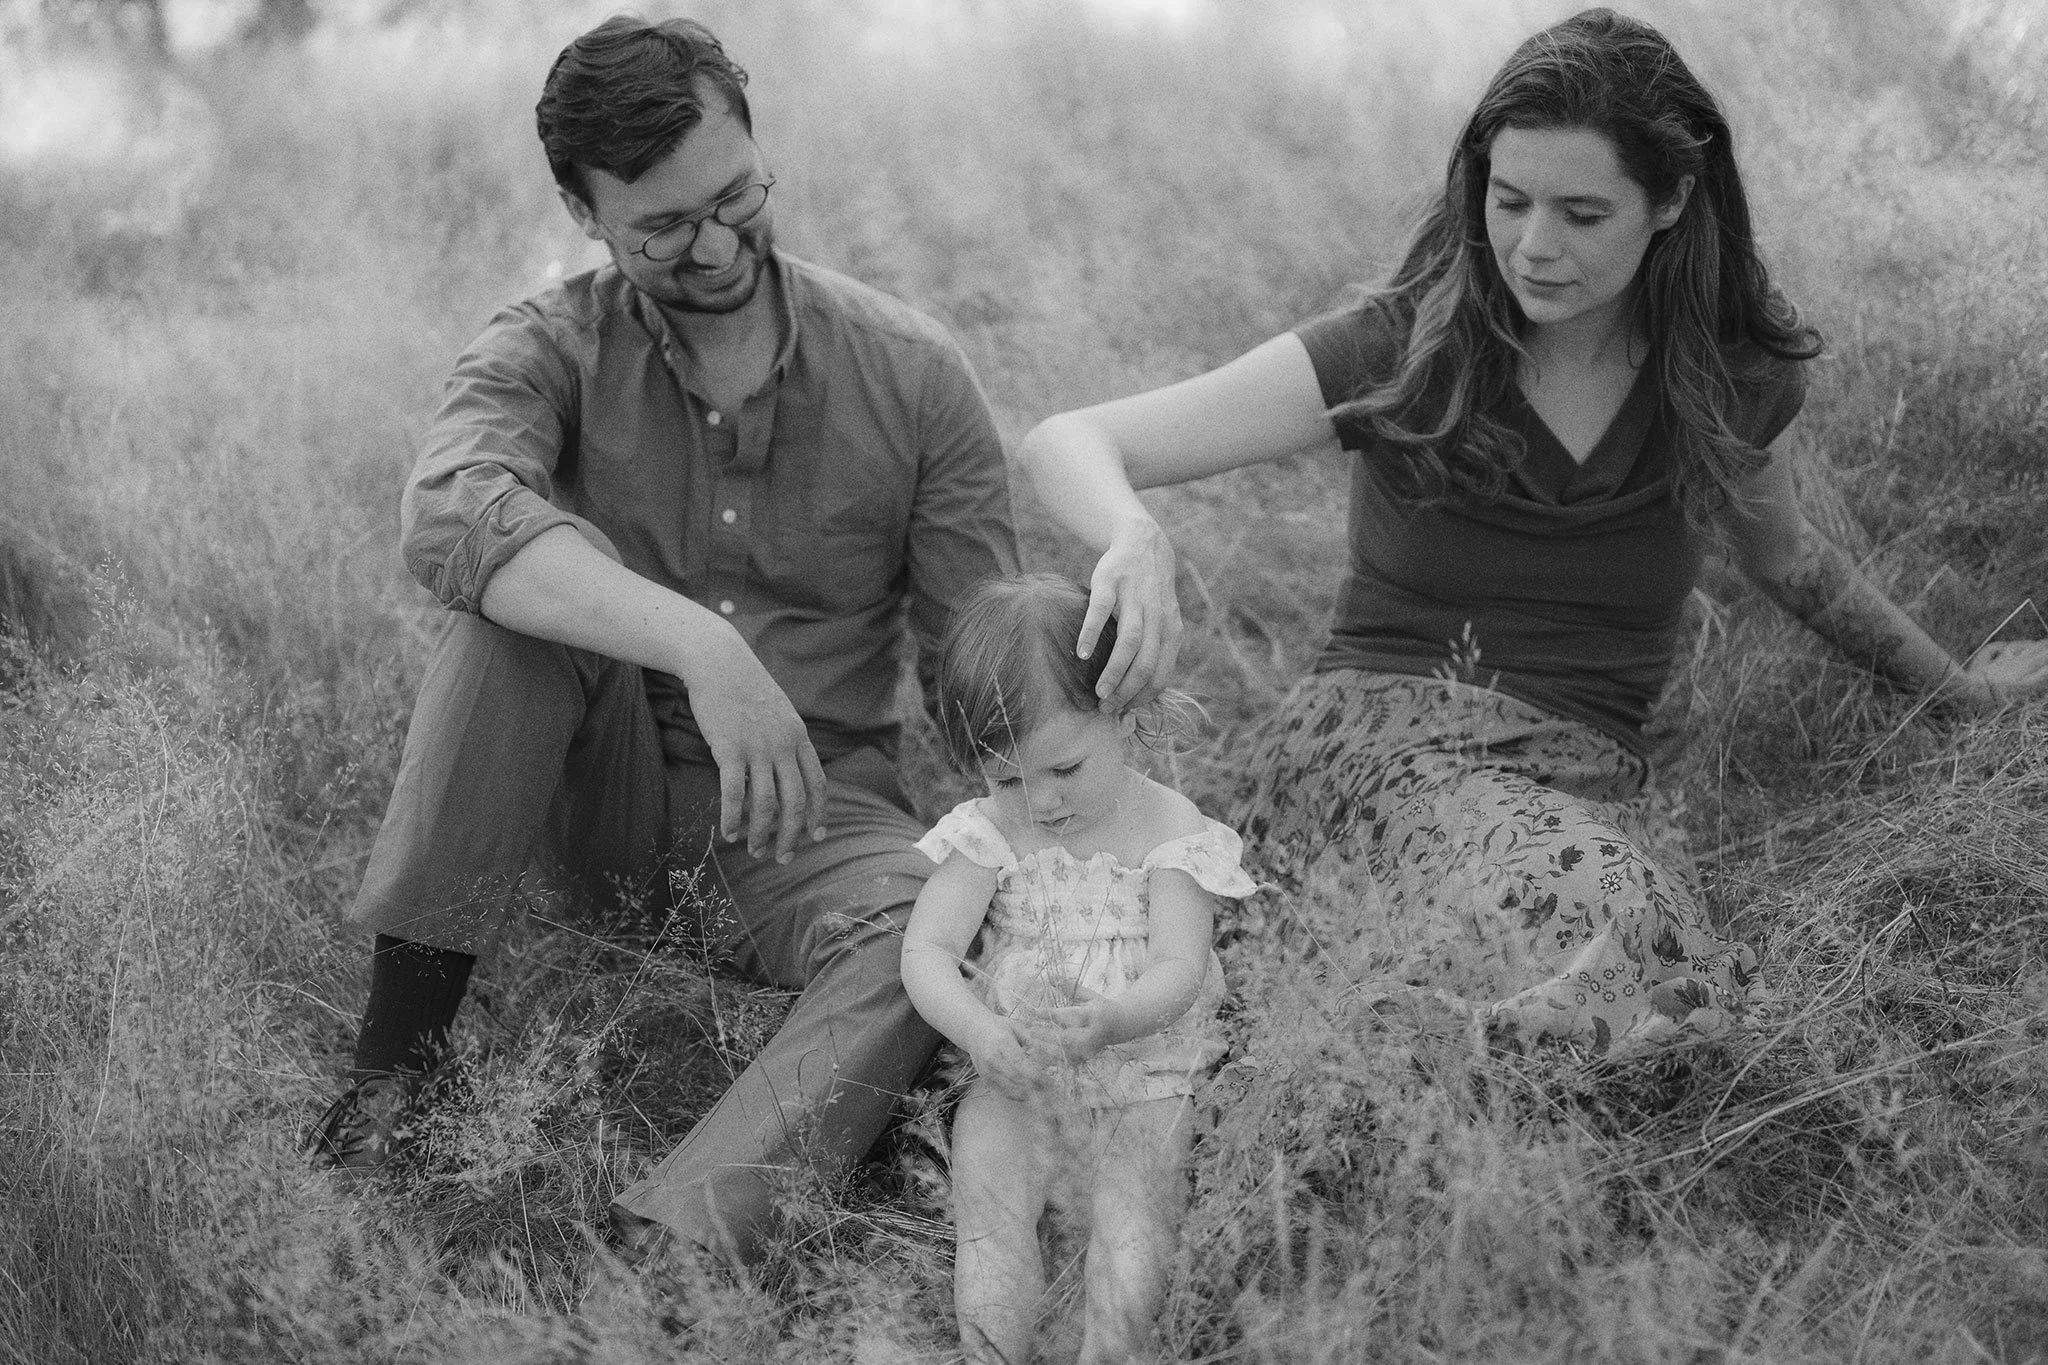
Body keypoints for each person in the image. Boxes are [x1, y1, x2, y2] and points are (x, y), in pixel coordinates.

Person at [1015, 8, 2048, 1054]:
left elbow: (1791, 561)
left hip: (1569, 783)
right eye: (1508, 201)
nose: (1534, 247)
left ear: (1670, 201)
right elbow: (1070, 439)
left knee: (1652, 983)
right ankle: (1393, 1052)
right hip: (1373, 756)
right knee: (1631, 939)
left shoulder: (1729, 377)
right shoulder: (1408, 345)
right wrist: (1132, 534)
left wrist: (1959, 695)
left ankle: (1413, 1044)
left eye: (1582, 213)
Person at [304, 15, 1018, 1269]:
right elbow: (449, 508)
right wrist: (701, 646)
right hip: (603, 801)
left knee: (931, 916)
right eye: (665, 229)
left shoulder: (912, 373)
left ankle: (678, 1242)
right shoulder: (546, 345)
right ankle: (394, 1080)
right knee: (510, 610)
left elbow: (982, 668)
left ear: (756, 146)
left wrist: (1080, 712)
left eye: (736, 196)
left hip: (812, 819)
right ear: (584, 216)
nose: (719, 244)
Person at [900, 574, 1257, 1365]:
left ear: (1122, 715)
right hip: (1019, 1066)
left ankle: (1108, 1351)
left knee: (1135, 1215)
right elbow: (926, 950)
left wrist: (1116, 1018)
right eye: (1007, 779)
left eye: (1064, 769)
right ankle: (992, 1350)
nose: (1043, 804)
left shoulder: (1169, 826)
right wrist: (979, 1031)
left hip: (1142, 1065)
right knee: (989, 1204)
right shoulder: (989, 832)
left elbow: (1180, 964)